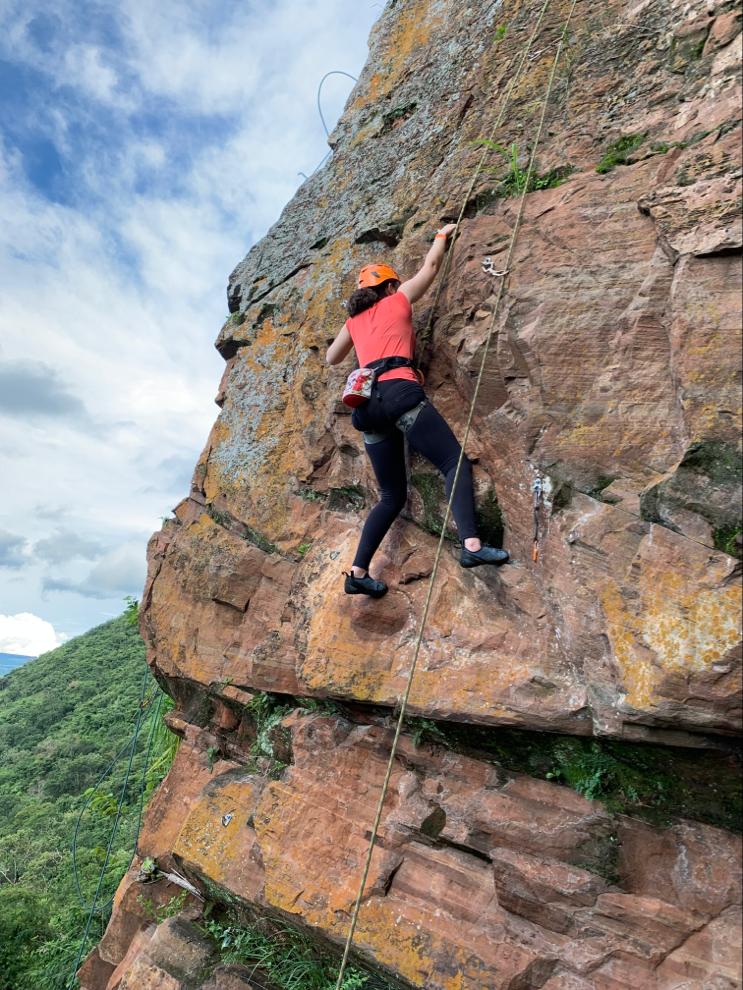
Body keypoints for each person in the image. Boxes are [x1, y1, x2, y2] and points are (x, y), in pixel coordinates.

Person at [326, 224, 509, 598]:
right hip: (398, 392)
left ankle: (358, 572)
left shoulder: (353, 321)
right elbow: (429, 269)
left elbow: (332, 357)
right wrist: (442, 235)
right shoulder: (397, 299)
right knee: (453, 462)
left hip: (366, 408)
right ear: (390, 287)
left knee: (391, 496)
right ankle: (472, 546)